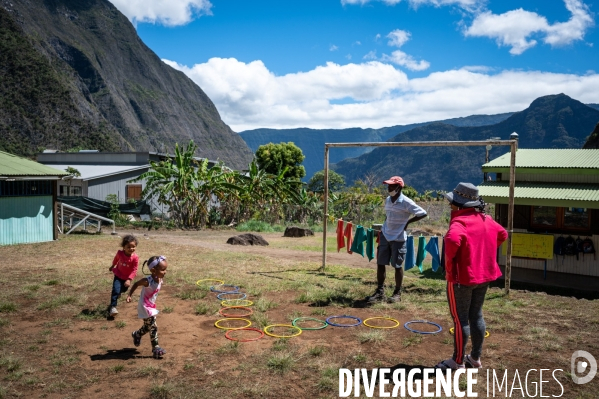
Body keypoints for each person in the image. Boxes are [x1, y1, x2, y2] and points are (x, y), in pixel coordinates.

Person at [436, 182, 507, 371]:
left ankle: (457, 361)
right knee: (476, 315)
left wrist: (450, 266)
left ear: (459, 205)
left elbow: (451, 240)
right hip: (484, 276)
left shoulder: (459, 222)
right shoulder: (486, 219)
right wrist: (485, 251)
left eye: (452, 202)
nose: (450, 205)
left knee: (460, 319)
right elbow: (503, 234)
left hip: (461, 279)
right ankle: (475, 358)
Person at [367, 176, 427, 303]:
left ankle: (397, 293)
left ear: (399, 187)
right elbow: (388, 215)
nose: (389, 188)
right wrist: (385, 227)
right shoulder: (388, 200)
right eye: (388, 186)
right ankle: (380, 291)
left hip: (398, 238)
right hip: (385, 235)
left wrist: (408, 222)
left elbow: (422, 213)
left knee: (397, 265)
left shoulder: (406, 202)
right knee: (380, 263)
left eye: (392, 186)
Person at [127, 255, 168, 359]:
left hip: (151, 306)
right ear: (153, 270)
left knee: (147, 326)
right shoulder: (147, 281)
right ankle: (156, 348)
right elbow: (136, 284)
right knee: (153, 326)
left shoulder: (159, 278)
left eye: (166, 269)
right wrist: (129, 295)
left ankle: (137, 334)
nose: (165, 272)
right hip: (145, 307)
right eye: (163, 270)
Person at [108, 235, 139, 316]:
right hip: (118, 274)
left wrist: (129, 279)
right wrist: (112, 266)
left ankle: (119, 292)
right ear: (124, 247)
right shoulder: (120, 253)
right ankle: (113, 307)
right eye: (129, 246)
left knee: (124, 290)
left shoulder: (135, 258)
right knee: (115, 290)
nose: (131, 248)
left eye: (133, 246)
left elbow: (134, 269)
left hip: (126, 278)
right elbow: (116, 259)